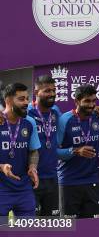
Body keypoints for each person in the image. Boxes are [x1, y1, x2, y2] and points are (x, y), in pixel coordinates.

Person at [55, 84, 99, 218]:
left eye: (93, 101)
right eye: (87, 101)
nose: (91, 105)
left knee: (94, 228)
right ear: (76, 101)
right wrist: (75, 151)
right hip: (68, 182)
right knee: (70, 229)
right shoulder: (65, 120)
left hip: (92, 181)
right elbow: (53, 152)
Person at [0, 83, 41, 217]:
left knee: (27, 231)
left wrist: (33, 167)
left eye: (27, 98)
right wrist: (1, 166)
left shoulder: (29, 123)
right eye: (21, 99)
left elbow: (33, 150)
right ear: (8, 100)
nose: (26, 103)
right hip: (1, 189)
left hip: (23, 188)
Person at [27, 75, 62, 217]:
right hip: (30, 178)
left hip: (52, 177)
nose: (52, 94)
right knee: (31, 225)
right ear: (36, 93)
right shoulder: (27, 112)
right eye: (47, 91)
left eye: (54, 90)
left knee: (52, 225)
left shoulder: (55, 112)